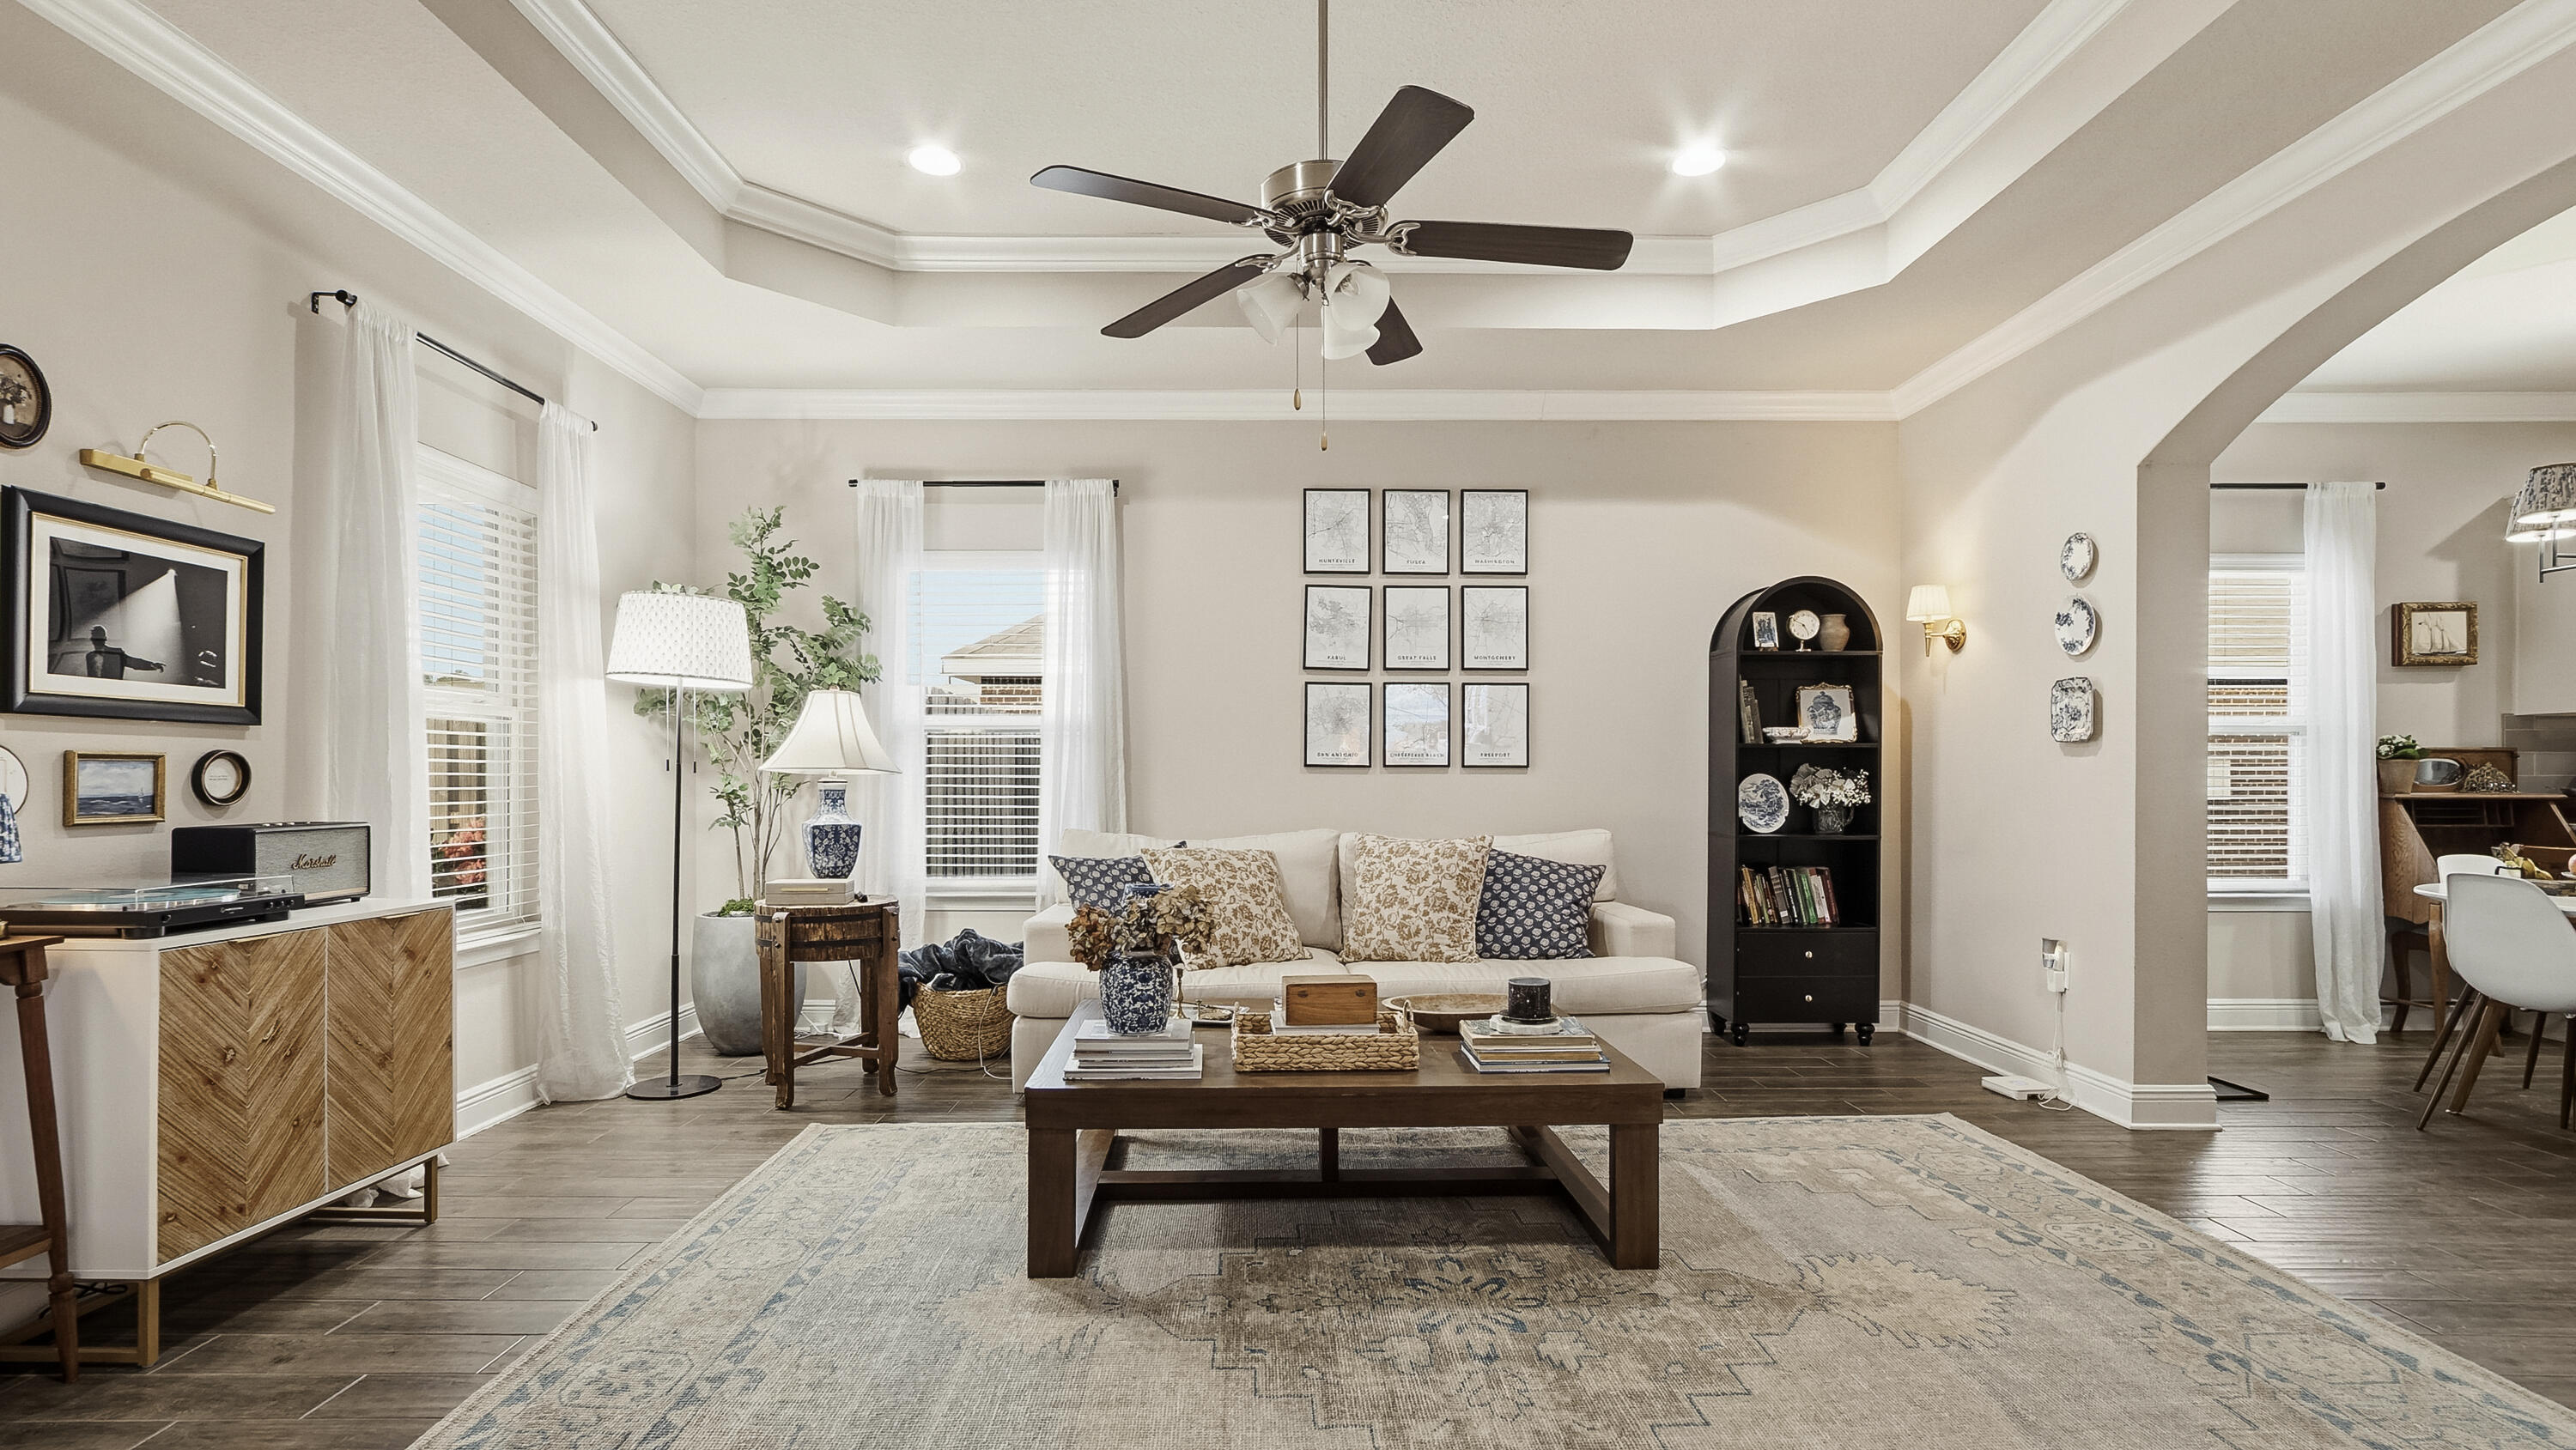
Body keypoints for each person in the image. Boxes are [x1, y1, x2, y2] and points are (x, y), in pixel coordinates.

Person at [83, 626, 163, 680]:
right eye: (94, 637)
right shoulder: (90, 656)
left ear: (105, 638)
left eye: (98, 636)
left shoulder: (117, 653)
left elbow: (134, 662)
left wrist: (152, 665)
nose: (95, 640)